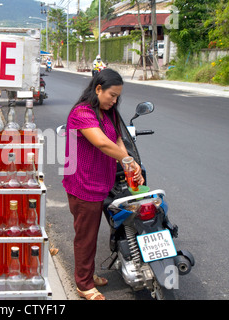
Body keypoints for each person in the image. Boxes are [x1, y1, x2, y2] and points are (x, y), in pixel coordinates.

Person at [62, 68, 144, 300]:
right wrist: (126, 160)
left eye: (118, 96)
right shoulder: (82, 112)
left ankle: (87, 273)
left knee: (94, 232)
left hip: (103, 182)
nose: (115, 100)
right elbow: (102, 143)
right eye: (112, 95)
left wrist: (131, 164)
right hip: (84, 184)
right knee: (85, 236)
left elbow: (118, 139)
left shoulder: (110, 112)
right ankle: (84, 284)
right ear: (98, 89)